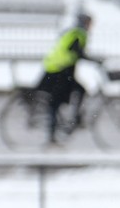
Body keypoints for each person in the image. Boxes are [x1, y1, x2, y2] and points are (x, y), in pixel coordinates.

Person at [36, 12, 95, 144]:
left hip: (58, 69)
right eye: (90, 23)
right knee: (55, 102)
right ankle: (54, 133)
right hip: (59, 71)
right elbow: (76, 51)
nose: (91, 26)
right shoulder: (78, 34)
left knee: (78, 91)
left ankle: (74, 119)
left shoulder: (73, 32)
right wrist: (95, 60)